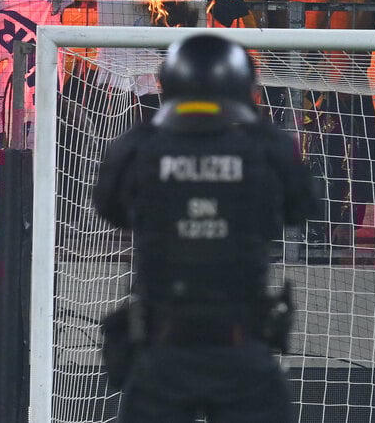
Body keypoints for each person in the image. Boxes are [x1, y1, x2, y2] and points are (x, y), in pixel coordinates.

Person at [92, 32, 320, 423]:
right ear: (240, 85)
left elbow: (110, 211)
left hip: (162, 351)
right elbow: (303, 208)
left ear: (170, 81)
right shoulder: (267, 147)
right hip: (242, 348)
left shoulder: (139, 146)